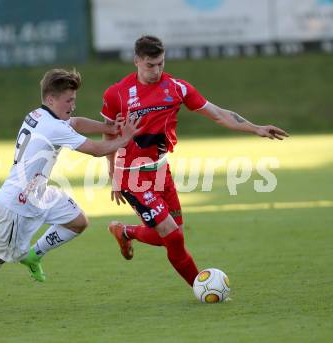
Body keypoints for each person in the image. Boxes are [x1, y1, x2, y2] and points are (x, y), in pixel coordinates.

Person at [102, 35, 288, 288]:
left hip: (161, 170)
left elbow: (218, 114)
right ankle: (201, 286)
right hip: (131, 175)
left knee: (166, 235)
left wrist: (255, 128)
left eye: (160, 64)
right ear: (136, 61)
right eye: (150, 65)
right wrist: (112, 172)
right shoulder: (118, 94)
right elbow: (108, 133)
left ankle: (124, 231)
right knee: (174, 236)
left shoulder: (177, 88)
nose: (156, 71)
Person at [0, 68, 140, 306]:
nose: (72, 105)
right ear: (51, 99)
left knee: (77, 222)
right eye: (68, 100)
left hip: (39, 193)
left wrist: (108, 128)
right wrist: (125, 138)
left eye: (74, 99)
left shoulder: (40, 115)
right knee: (1, 254)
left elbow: (76, 122)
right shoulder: (53, 126)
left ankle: (34, 255)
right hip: (16, 203)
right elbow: (94, 150)